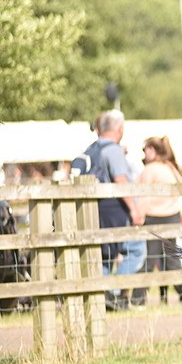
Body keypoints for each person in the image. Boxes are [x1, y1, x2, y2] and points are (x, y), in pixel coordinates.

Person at [71, 110, 144, 310]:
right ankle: (112, 293)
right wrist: (134, 209)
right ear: (120, 129)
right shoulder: (113, 150)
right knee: (136, 250)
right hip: (116, 211)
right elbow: (121, 180)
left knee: (104, 255)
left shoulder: (92, 148)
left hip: (98, 210)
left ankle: (103, 296)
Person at [135, 136, 182, 306]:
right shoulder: (172, 167)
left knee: (150, 258)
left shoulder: (150, 169)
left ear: (152, 150)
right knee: (173, 259)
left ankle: (137, 298)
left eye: (145, 150)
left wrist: (139, 215)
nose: (144, 154)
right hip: (173, 216)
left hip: (154, 217)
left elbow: (144, 195)